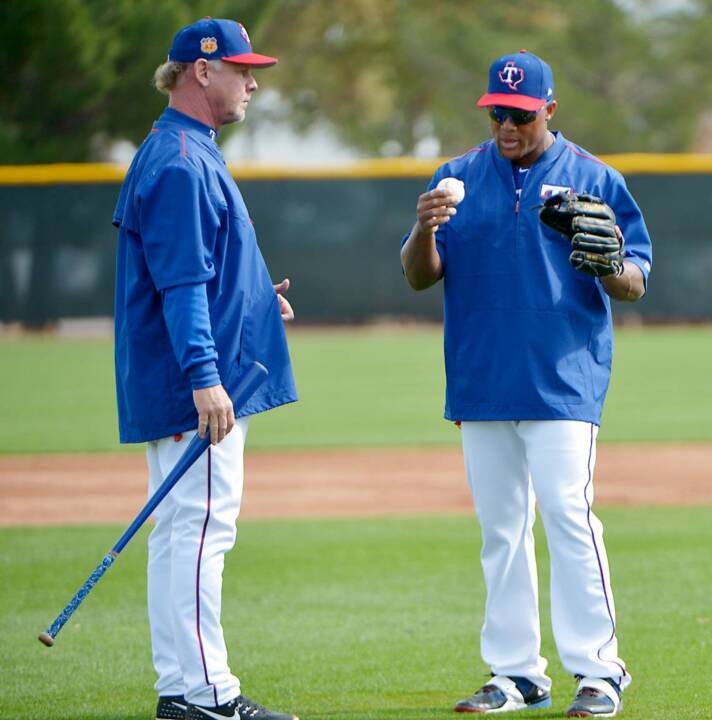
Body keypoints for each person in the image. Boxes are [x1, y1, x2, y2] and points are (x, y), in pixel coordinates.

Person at [400, 51, 652, 717]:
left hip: (564, 377)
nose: (507, 124)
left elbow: (634, 281)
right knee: (501, 529)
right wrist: (424, 229)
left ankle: (599, 673)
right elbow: (420, 276)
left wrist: (608, 263)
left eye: (521, 114)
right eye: (497, 113)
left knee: (570, 516)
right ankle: (517, 674)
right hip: (482, 378)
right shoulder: (454, 179)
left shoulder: (594, 178)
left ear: (549, 110)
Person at [112, 18, 299, 720]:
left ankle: (181, 691)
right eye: (242, 69)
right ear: (201, 70)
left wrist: (251, 303)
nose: (253, 81)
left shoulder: (183, 150)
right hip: (196, 385)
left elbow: (200, 276)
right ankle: (210, 695)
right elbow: (182, 285)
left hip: (188, 371)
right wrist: (206, 376)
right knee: (201, 532)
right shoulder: (183, 161)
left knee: (183, 535)